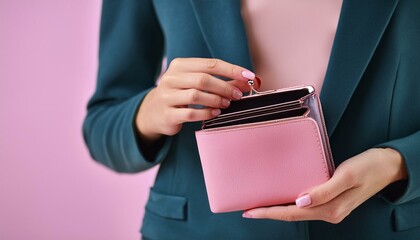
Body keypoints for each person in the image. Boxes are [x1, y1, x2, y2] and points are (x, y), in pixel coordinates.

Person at [83, 0, 420, 239]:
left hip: (380, 226)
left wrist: (398, 164)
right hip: (198, 232)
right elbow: (101, 126)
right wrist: (148, 111)